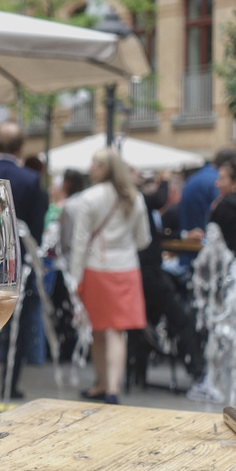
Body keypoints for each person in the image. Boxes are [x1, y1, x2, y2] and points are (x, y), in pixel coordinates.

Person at [0, 122, 48, 401]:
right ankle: (9, 383)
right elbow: (35, 229)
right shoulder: (29, 180)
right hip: (17, 263)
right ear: (20, 147)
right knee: (20, 321)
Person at [72, 147, 151, 405]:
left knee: (98, 329)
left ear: (104, 168)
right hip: (127, 268)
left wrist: (75, 278)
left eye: (94, 164)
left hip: (97, 268)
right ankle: (113, 388)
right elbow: (143, 240)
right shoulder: (134, 197)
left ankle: (101, 383)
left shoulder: (90, 197)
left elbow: (80, 241)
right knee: (118, 332)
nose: (90, 168)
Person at [129, 169, 210, 402]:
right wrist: (164, 177)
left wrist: (183, 235)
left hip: (147, 274)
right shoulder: (140, 200)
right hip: (148, 275)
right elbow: (159, 198)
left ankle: (139, 372)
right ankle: (199, 374)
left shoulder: (143, 204)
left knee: (154, 320)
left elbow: (158, 235)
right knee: (180, 318)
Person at [177, 147, 236, 281]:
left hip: (194, 257)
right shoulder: (224, 199)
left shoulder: (195, 177)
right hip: (222, 266)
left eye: (221, 179)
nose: (218, 183)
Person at [208, 159, 236, 257]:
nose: (217, 183)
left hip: (232, 266)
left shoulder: (225, 206)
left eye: (221, 179)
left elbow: (212, 242)